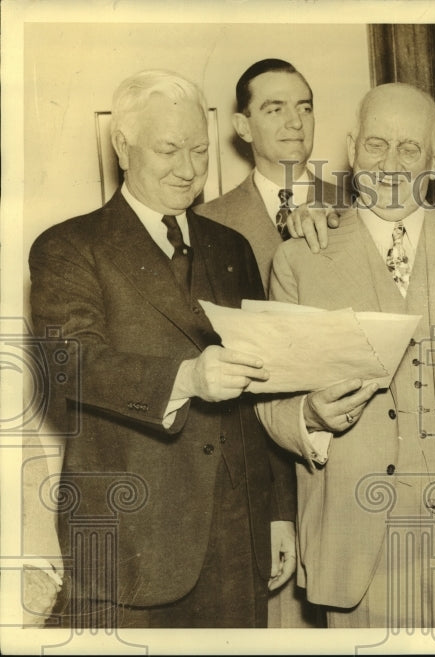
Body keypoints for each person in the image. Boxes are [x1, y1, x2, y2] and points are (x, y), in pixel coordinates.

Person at [27, 70, 297, 628]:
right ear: (123, 147)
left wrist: (278, 514)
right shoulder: (69, 246)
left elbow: (260, 386)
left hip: (234, 539)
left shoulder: (232, 247)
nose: (189, 168)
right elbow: (69, 365)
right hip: (128, 545)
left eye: (199, 149)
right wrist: (187, 379)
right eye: (168, 149)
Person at [255, 82, 435, 628]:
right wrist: (308, 416)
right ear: (353, 149)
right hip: (359, 552)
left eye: (410, 148)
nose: (391, 164)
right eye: (377, 145)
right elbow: (269, 401)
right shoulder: (300, 259)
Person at [196, 58, 347, 293]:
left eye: (304, 108)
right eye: (276, 110)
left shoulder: (355, 208)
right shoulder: (205, 221)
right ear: (243, 127)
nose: (296, 122)